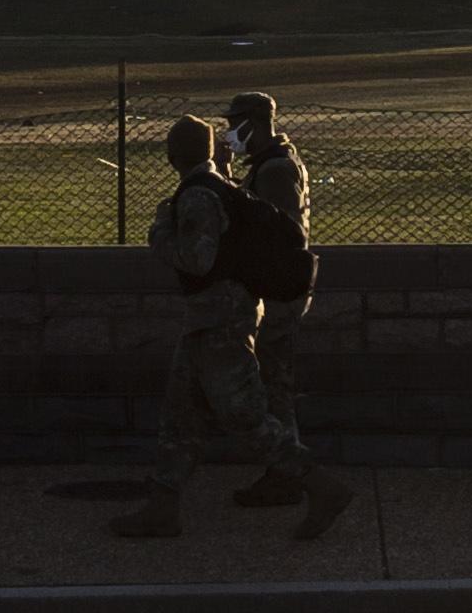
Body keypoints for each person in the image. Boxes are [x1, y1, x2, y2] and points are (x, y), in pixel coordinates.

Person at [113, 113, 353, 542]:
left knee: (245, 417)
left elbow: (198, 260)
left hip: (219, 321)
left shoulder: (198, 196)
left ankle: (319, 484)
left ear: (172, 156)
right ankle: (162, 506)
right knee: (180, 417)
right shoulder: (218, 185)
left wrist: (160, 231)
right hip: (213, 319)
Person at [225, 90, 317, 509]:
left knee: (274, 386)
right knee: (274, 382)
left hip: (277, 294)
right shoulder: (270, 165)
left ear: (255, 122)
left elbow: (276, 233)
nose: (230, 132)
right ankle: (285, 471)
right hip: (278, 290)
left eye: (235, 123)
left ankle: (288, 474)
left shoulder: (276, 169)